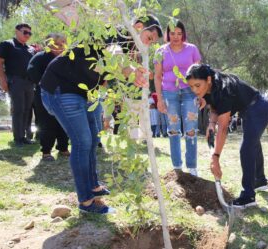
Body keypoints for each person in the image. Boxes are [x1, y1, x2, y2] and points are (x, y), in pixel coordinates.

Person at [40, 18, 156, 214]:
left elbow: (106, 73)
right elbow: (114, 55)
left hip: (87, 93)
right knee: (82, 142)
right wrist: (132, 72)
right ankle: (86, 201)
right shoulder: (114, 33)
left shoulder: (126, 47)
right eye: (149, 37)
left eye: (153, 42)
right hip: (61, 89)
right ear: (138, 27)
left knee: (93, 139)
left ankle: (93, 185)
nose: (149, 43)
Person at [186, 63, 268, 209]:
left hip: (260, 108)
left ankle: (248, 196)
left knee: (247, 148)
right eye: (191, 87)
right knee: (252, 143)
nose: (195, 90)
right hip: (249, 111)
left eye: (197, 85)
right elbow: (215, 108)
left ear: (208, 79)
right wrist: (211, 124)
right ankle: (260, 181)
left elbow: (224, 128)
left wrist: (216, 157)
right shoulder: (210, 87)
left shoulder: (224, 89)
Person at [154, 20, 202, 176]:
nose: (176, 37)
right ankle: (177, 167)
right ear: (167, 34)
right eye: (172, 33)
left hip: (190, 93)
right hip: (169, 93)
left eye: (179, 33)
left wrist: (201, 95)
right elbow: (157, 76)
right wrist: (159, 99)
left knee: (191, 130)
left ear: (183, 34)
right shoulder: (161, 51)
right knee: (173, 130)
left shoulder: (192, 49)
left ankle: (192, 167)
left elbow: (199, 75)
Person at [27, 33, 70, 161]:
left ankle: (63, 148)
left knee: (64, 122)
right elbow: (31, 72)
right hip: (45, 95)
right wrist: (44, 84)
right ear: (50, 44)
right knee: (47, 122)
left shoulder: (67, 58)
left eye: (64, 43)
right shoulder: (40, 57)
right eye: (59, 43)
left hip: (64, 95)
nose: (62, 46)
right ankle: (46, 151)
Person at [0, 23, 36, 146]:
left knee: (27, 109)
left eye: (30, 33)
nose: (28, 35)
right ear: (17, 31)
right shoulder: (7, 44)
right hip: (15, 81)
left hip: (29, 83)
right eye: (25, 32)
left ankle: (24, 137)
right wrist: (2, 80)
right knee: (18, 109)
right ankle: (18, 138)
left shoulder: (30, 48)